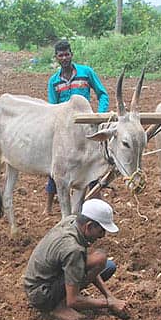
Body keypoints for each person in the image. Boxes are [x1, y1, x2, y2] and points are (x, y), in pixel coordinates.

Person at [23, 198, 128, 320]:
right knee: (99, 260)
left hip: (50, 276)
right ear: (88, 226)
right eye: (101, 231)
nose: (102, 236)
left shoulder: (72, 221)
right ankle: (58, 306)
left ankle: (64, 296)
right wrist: (108, 303)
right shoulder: (72, 249)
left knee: (107, 266)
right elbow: (74, 300)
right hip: (41, 294)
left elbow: (82, 262)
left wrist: (110, 296)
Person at [45, 40, 110, 213]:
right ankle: (49, 205)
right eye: (61, 55)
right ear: (56, 58)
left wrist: (98, 115)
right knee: (57, 168)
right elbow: (52, 107)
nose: (64, 58)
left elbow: (102, 94)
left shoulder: (86, 72)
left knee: (91, 162)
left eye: (67, 54)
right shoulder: (54, 81)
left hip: (86, 127)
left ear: (71, 54)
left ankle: (96, 201)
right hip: (65, 131)